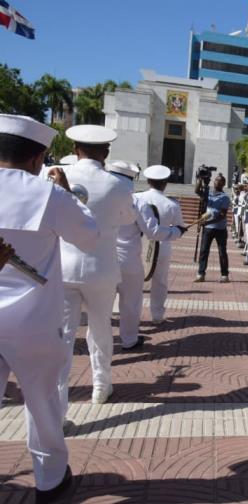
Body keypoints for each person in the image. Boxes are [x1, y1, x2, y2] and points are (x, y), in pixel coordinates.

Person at [0, 114, 99, 501]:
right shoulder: (47, 194)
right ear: (39, 157)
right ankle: (49, 479)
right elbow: (88, 237)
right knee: (42, 401)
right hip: (33, 319)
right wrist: (68, 193)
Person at [59, 124, 136, 406]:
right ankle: (100, 386)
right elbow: (129, 219)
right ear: (106, 152)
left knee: (63, 335)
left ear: (73, 149)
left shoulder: (53, 175)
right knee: (101, 328)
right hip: (101, 268)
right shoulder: (118, 184)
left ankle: (58, 396)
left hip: (63, 266)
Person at [107, 161, 186, 350]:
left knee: (102, 303)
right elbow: (153, 232)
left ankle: (103, 341)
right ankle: (131, 337)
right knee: (135, 298)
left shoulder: (100, 196)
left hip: (102, 254)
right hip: (134, 253)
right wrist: (177, 232)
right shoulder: (138, 200)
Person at [134, 165, 186, 324]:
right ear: (166, 183)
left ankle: (130, 315)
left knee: (132, 282)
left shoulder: (136, 197)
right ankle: (157, 315)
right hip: (161, 246)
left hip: (136, 243)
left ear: (148, 181)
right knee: (160, 282)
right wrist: (178, 231)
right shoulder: (172, 204)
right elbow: (179, 226)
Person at [195, 173, 231, 283]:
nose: (216, 182)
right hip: (208, 228)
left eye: (219, 181)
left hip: (220, 228)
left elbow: (222, 215)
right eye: (215, 180)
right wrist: (200, 180)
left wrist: (207, 222)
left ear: (223, 184)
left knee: (222, 252)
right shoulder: (208, 193)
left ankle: (224, 274)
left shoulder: (224, 197)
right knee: (204, 251)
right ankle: (201, 273)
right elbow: (197, 191)